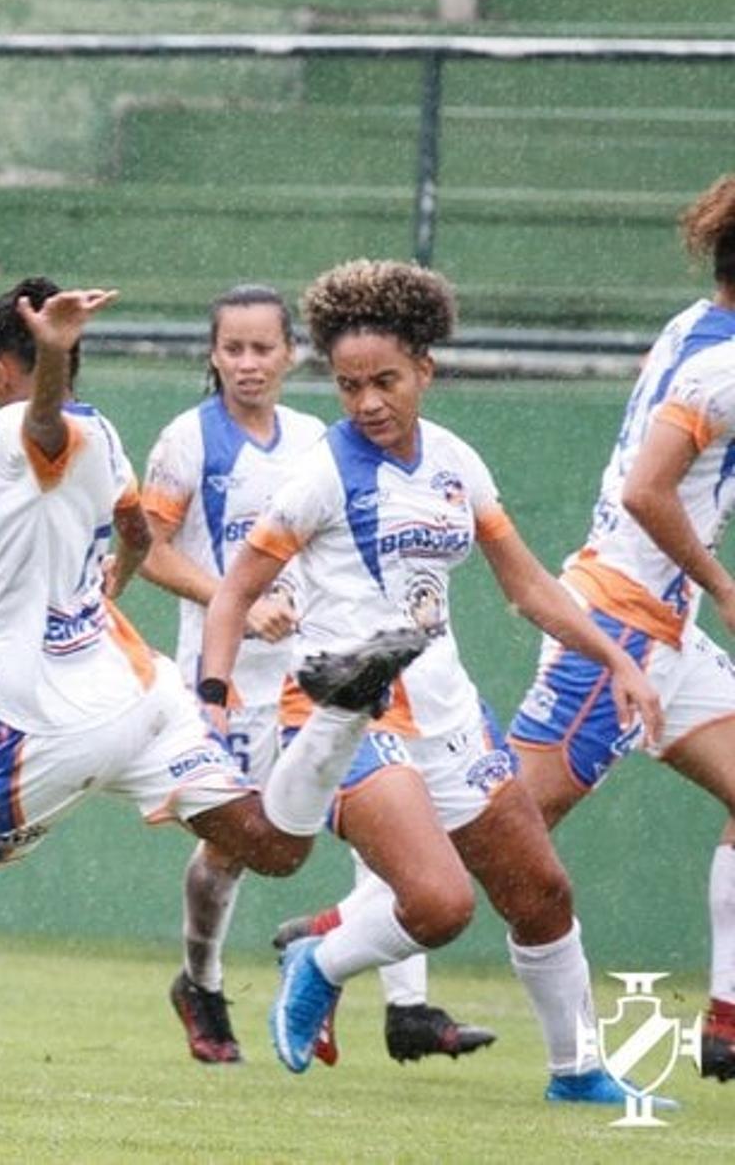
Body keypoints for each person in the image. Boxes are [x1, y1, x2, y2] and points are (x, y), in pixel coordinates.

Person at [0, 277, 427, 1092]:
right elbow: (136, 530)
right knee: (275, 849)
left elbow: (40, 426)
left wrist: (50, 354)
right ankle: (342, 715)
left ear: (2, 364)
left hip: (53, 716)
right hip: (143, 689)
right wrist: (109, 589)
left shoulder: (13, 421)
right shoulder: (103, 432)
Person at [200, 259, 665, 1105]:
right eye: (348, 387)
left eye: (385, 381)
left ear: (425, 368)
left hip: (447, 708)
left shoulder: (455, 460)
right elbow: (235, 589)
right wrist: (214, 692)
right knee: (441, 905)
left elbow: (527, 586)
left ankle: (578, 1072)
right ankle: (322, 958)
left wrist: (620, 660)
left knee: (542, 895)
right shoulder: (321, 474)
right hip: (346, 710)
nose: (368, 402)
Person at [140, 285, 490, 1066]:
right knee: (242, 850)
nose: (248, 363)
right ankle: (201, 980)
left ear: (290, 354)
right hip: (229, 682)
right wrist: (236, 606)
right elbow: (147, 551)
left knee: (389, 820)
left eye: (263, 348)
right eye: (232, 348)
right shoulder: (186, 441)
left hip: (320, 675)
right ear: (212, 354)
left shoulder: (314, 440)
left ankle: (408, 1006)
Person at [505, 173, 735, 1082]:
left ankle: (726, 1018)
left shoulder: (692, 326)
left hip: (661, 629)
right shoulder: (725, 363)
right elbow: (647, 490)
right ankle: (339, 941)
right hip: (619, 623)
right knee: (502, 832)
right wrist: (720, 581)